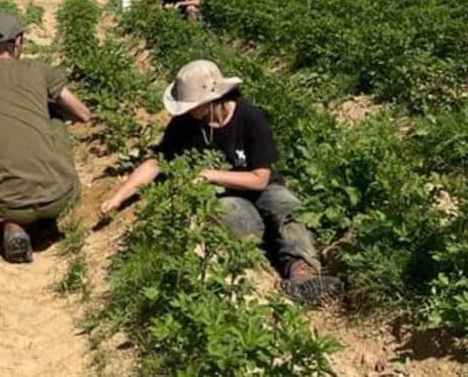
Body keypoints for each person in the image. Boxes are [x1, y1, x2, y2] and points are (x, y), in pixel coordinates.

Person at [100, 59, 343, 305]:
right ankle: (262, 271)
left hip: (262, 187)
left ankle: (303, 273)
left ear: (210, 100)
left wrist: (209, 174)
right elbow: (156, 163)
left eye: (190, 105)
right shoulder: (184, 125)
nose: (184, 111)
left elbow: (260, 179)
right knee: (241, 220)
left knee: (285, 206)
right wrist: (118, 197)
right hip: (226, 197)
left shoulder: (250, 118)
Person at [0, 12, 92, 263]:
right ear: (18, 42)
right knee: (55, 117)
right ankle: (46, 219)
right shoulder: (40, 71)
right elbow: (83, 114)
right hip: (57, 197)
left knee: (2, 177)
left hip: (7, 203)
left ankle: (13, 227)